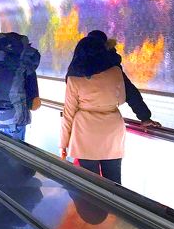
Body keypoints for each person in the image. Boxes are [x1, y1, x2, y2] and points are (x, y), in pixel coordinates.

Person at [59, 33, 142, 184]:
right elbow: (123, 97)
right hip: (112, 132)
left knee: (91, 184)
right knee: (114, 182)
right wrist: (145, 117)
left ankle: (93, 207)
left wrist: (63, 143)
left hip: (85, 134)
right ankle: (118, 207)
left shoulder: (74, 79)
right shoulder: (116, 71)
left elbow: (68, 114)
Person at [82, 30, 161, 129]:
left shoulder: (79, 66)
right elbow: (130, 91)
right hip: (111, 123)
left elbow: (72, 98)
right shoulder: (112, 64)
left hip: (85, 122)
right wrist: (145, 117)